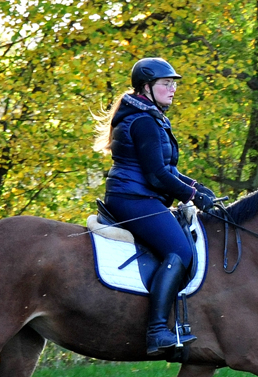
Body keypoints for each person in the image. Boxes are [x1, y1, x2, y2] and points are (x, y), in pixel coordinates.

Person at [93, 57, 217, 355]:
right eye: (166, 84)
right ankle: (157, 330)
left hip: (140, 197)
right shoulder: (144, 121)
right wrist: (191, 196)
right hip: (133, 199)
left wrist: (197, 187)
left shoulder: (150, 115)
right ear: (146, 87)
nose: (172, 89)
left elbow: (167, 170)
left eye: (174, 84)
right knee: (181, 252)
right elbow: (156, 175)